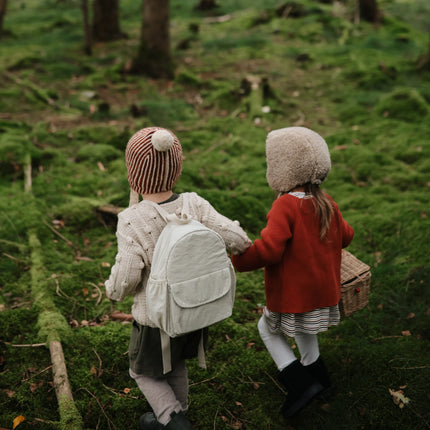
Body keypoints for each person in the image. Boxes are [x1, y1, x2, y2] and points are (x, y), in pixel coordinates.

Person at [105, 127, 251, 430]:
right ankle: (177, 412)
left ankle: (172, 419)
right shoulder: (194, 204)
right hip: (194, 310)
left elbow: (127, 279)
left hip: (154, 319)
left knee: (144, 373)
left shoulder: (131, 219)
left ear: (133, 174)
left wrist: (112, 291)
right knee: (176, 363)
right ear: (177, 168)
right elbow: (237, 239)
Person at [231, 126, 354, 420]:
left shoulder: (285, 206)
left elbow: (270, 250)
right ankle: (319, 380)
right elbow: (346, 236)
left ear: (281, 169)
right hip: (323, 293)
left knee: (267, 330)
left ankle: (299, 383)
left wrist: (239, 258)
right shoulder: (327, 203)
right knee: (305, 330)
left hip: (293, 294)